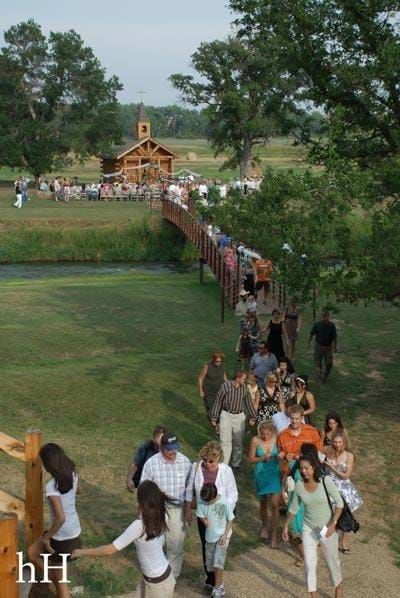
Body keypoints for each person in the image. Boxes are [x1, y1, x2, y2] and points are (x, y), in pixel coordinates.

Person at [73, 481, 175, 597]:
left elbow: (110, 550)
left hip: (157, 586)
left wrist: (82, 552)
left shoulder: (139, 526)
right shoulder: (163, 515)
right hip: (162, 577)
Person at [283, 456, 344, 598]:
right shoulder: (299, 485)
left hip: (326, 527)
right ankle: (313, 594)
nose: (304, 471)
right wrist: (286, 525)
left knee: (331, 560)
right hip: (308, 528)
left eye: (306, 468)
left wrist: (333, 524)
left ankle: (338, 586)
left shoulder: (325, 481)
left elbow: (340, 503)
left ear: (314, 468)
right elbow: (294, 507)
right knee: (309, 563)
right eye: (301, 468)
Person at [27, 443, 81, 598]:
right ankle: (55, 581)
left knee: (62, 587)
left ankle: (58, 585)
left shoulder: (51, 486)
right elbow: (80, 491)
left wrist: (46, 538)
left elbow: (60, 518)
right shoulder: (73, 474)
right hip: (74, 530)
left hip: (61, 536)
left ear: (47, 464)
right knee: (32, 553)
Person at [140, 430, 192, 579]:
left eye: (175, 448)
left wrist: (188, 509)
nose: (173, 452)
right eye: (170, 449)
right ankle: (156, 573)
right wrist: (143, 511)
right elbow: (144, 489)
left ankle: (171, 579)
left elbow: (189, 488)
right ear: (162, 448)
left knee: (175, 546)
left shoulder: (185, 462)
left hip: (177, 508)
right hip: (157, 508)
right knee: (155, 542)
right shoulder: (151, 464)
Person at [188, 441, 238, 590]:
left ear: (219, 459)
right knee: (207, 547)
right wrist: (188, 510)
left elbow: (232, 493)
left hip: (222, 515)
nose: (208, 464)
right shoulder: (196, 468)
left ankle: (218, 585)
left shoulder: (226, 471)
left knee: (220, 549)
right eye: (206, 460)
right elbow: (189, 489)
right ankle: (211, 579)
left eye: (212, 461)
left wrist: (223, 511)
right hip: (204, 515)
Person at [210, 371, 258, 472]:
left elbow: (249, 402)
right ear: (238, 378)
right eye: (244, 379)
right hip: (226, 415)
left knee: (238, 442)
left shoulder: (244, 388)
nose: (245, 382)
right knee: (225, 442)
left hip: (239, 416)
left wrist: (254, 416)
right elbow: (218, 401)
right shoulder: (225, 386)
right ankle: (224, 465)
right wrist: (214, 417)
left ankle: (236, 464)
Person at [325, 430, 362, 554]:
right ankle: (328, 539)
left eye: (340, 442)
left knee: (346, 515)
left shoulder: (349, 455)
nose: (337, 444)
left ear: (344, 442)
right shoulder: (327, 451)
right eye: (334, 442)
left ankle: (344, 543)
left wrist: (332, 468)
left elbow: (346, 475)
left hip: (343, 488)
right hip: (329, 486)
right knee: (330, 514)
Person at [197, 483, 235, 598]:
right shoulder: (202, 501)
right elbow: (200, 514)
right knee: (210, 564)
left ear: (214, 495)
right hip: (210, 538)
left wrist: (224, 534)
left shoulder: (223, 502)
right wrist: (203, 520)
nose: (207, 503)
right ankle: (218, 584)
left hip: (222, 537)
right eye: (206, 502)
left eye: (210, 502)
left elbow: (231, 519)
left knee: (218, 562)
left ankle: (218, 588)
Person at [248, 421, 281, 548]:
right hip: (261, 474)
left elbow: (281, 454)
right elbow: (251, 459)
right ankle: (264, 527)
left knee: (275, 505)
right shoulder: (255, 441)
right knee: (263, 503)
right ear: (259, 431)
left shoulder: (277, 439)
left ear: (272, 432)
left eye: (268, 434)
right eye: (263, 434)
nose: (265, 436)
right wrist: (262, 458)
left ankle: (274, 537)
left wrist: (280, 457)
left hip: (274, 474)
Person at [126, 425, 166, 492]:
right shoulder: (145, 447)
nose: (159, 449)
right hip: (145, 484)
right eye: (157, 445)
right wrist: (129, 479)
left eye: (161, 446)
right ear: (153, 439)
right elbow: (136, 464)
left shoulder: (170, 451)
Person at [308, 311, 338, 381]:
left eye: (326, 316)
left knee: (329, 363)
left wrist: (335, 347)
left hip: (328, 348)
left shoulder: (332, 326)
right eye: (323, 317)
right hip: (319, 347)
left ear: (329, 317)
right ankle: (319, 377)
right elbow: (311, 334)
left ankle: (325, 375)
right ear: (322, 317)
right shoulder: (317, 325)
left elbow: (335, 338)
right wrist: (308, 342)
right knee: (318, 363)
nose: (325, 318)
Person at [198, 352, 228, 420]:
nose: (218, 363)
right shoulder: (207, 366)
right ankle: (212, 422)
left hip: (220, 390)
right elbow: (200, 378)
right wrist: (201, 390)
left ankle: (219, 422)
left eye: (220, 361)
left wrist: (228, 385)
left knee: (221, 407)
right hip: (209, 392)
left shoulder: (222, 365)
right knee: (211, 409)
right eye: (217, 361)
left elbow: (224, 376)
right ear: (213, 360)